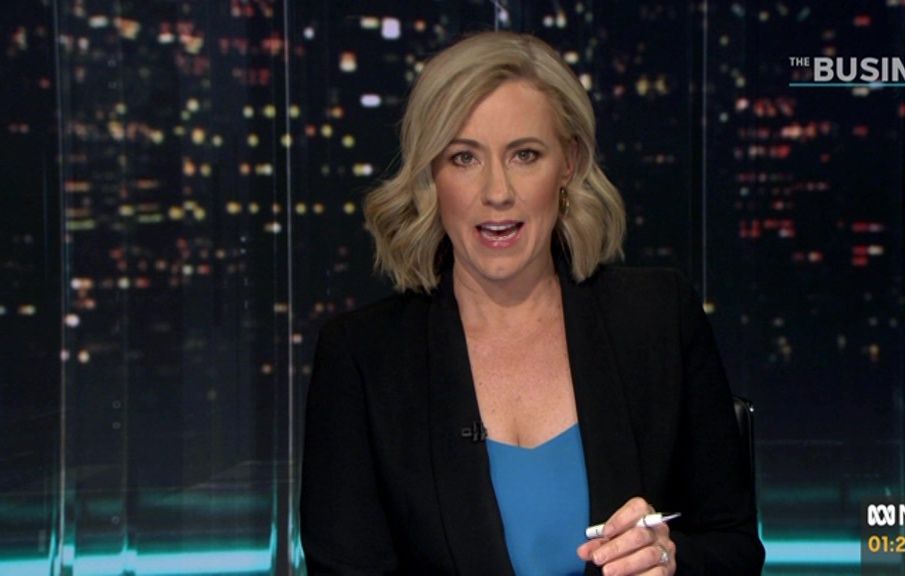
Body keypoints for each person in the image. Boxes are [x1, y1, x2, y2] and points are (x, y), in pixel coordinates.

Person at [300, 31, 764, 575]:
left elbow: (734, 547)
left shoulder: (658, 317)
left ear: (568, 163)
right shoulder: (362, 356)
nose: (497, 192)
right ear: (431, 174)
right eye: (464, 158)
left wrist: (670, 560)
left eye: (525, 155)